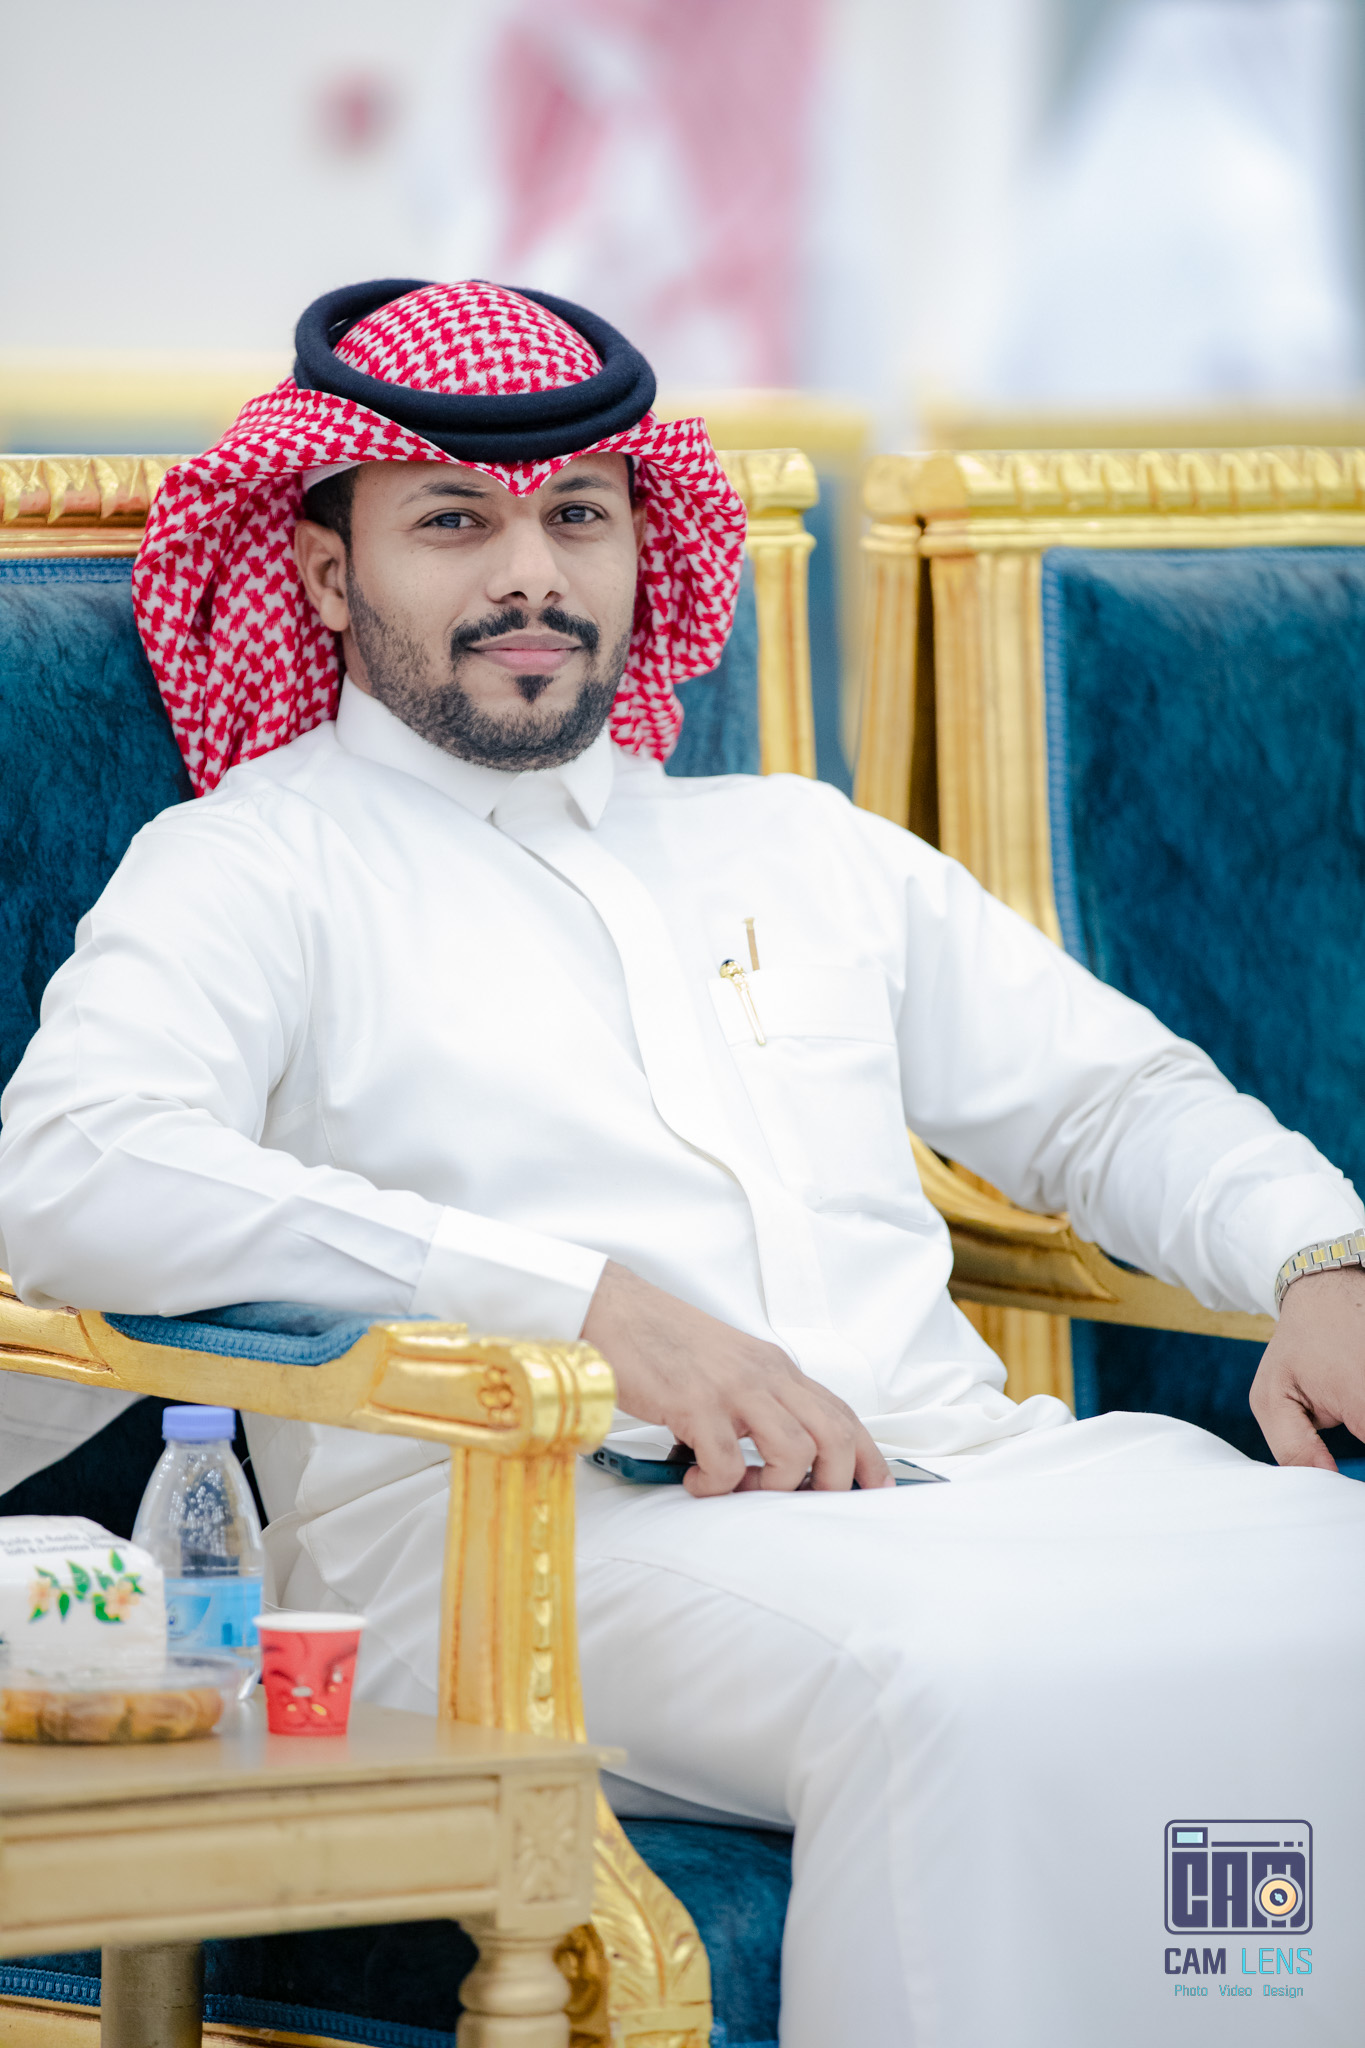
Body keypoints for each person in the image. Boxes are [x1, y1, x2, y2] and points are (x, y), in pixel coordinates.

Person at [1, 279, 1362, 2048]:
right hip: (518, 1556)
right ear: (328, 574)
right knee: (953, 1677)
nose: (532, 575)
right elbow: (76, 1170)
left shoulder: (797, 846)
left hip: (965, 1479)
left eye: (578, 516)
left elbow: (1107, 1104)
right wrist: (582, 1310)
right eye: (453, 522)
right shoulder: (256, 866)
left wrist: (1314, 1255)